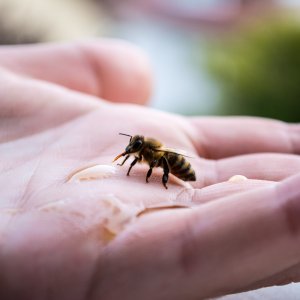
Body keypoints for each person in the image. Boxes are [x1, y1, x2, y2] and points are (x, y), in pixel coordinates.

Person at [0, 39, 300, 300]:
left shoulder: (152, 155)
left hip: (178, 168)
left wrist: (157, 179)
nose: (131, 152)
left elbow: (156, 162)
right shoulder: (142, 150)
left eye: (133, 149)